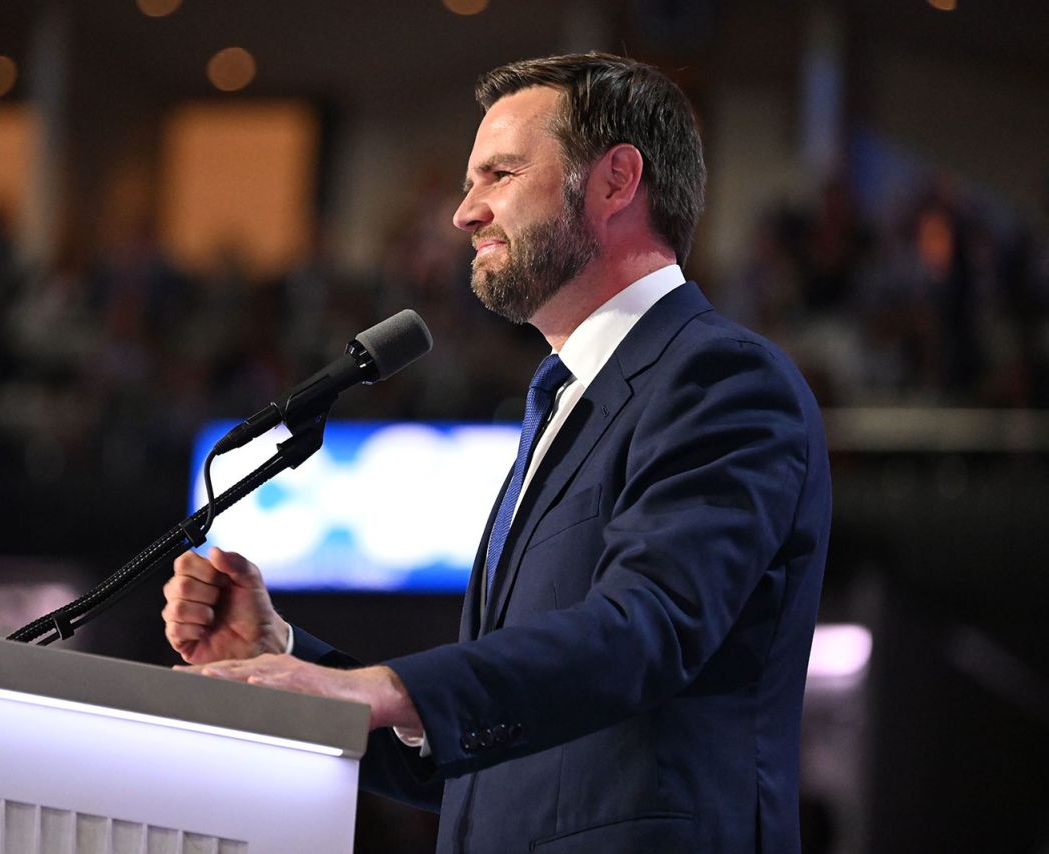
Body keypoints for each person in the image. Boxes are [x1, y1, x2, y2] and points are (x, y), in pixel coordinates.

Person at [162, 52, 830, 853]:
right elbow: (477, 757)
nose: (463, 213)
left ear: (616, 181)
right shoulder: (564, 402)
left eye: (500, 174)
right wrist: (295, 663)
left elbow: (645, 629)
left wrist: (381, 688)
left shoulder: (719, 377)